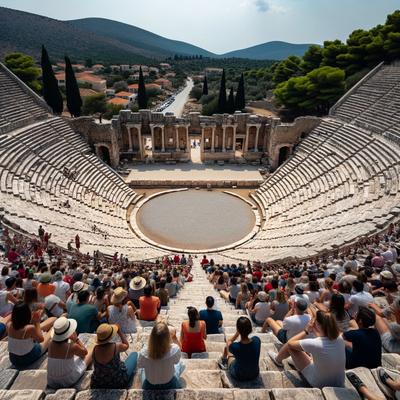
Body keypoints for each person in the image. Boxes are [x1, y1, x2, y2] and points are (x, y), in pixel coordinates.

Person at [270, 310, 345, 388]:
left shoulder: (316, 343)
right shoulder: (340, 338)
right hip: (339, 382)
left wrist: (306, 331)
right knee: (307, 352)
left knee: (291, 347)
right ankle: (292, 361)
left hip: (319, 383)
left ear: (318, 325)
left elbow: (290, 343)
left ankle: (277, 359)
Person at [47, 316, 93, 389]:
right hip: (67, 380)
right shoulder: (71, 346)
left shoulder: (50, 344)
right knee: (91, 352)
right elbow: (84, 353)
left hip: (51, 380)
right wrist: (76, 339)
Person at [7, 302, 55, 369]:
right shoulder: (29, 328)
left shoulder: (9, 325)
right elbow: (41, 339)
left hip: (13, 359)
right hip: (26, 358)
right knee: (52, 331)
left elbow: (20, 335)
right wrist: (37, 321)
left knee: (46, 326)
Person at [138, 321, 184, 389]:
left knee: (141, 370)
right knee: (180, 364)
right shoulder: (174, 349)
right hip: (169, 384)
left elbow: (139, 365)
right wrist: (174, 338)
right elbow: (176, 361)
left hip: (149, 386)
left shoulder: (143, 352)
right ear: (168, 336)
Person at [91, 323, 138, 389]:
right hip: (117, 382)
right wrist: (120, 332)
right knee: (134, 354)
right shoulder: (116, 346)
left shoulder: (95, 349)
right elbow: (126, 345)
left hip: (99, 383)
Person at [218, 316, 261, 381]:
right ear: (250, 329)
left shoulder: (235, 346)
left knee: (228, 350)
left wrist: (236, 334)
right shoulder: (257, 340)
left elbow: (228, 343)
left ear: (238, 330)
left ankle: (223, 360)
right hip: (255, 374)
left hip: (239, 375)